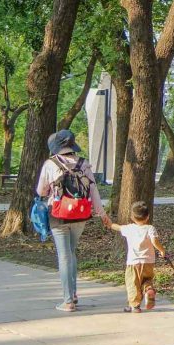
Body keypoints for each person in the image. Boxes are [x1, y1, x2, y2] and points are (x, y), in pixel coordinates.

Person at [36, 129, 109, 312]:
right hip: (81, 215)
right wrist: (102, 214)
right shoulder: (84, 164)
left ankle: (68, 301)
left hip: (59, 215)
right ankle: (74, 294)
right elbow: (94, 191)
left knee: (64, 256)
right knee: (72, 252)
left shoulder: (50, 164)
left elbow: (41, 191)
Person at [105, 201, 167, 313]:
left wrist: (109, 223)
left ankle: (135, 306)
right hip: (148, 261)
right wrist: (162, 250)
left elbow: (117, 227)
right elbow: (154, 241)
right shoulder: (150, 228)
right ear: (147, 216)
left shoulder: (129, 228)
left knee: (133, 283)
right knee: (147, 279)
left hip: (133, 263)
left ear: (132, 217)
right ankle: (149, 290)